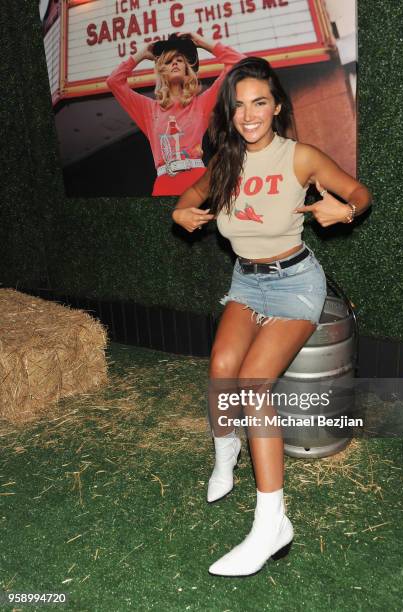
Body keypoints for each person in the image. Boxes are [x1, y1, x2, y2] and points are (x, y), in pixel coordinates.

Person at [172, 57, 372, 577]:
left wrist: (343, 211)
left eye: (259, 102)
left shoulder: (299, 157)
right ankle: (225, 459)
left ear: (277, 106)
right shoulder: (226, 162)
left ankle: (271, 524)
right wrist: (182, 211)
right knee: (222, 369)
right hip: (247, 281)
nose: (248, 114)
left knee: (252, 385)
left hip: (296, 282)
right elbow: (189, 196)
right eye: (238, 105)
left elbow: (359, 193)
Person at [106, 33, 245, 196]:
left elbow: (239, 63)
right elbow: (113, 82)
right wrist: (141, 54)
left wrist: (203, 42)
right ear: (162, 71)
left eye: (179, 60)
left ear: (187, 70)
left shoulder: (201, 104)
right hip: (164, 184)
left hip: (197, 182)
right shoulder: (148, 110)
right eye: (169, 61)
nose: (175, 63)